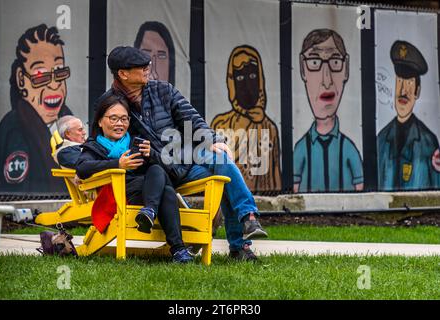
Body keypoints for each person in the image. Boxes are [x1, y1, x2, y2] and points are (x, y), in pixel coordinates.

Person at [96, 45, 268, 261]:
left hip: (184, 159)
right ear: (123, 74)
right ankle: (240, 243)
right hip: (154, 176)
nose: (148, 67)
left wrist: (212, 140)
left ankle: (247, 222)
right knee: (222, 173)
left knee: (223, 164)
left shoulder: (163, 90)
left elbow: (191, 118)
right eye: (141, 66)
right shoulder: (110, 104)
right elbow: (97, 140)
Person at [76, 94, 193, 263]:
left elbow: (164, 170)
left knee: (158, 173)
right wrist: (118, 164)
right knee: (166, 190)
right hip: (120, 195)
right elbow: (82, 167)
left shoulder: (135, 142)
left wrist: (151, 154)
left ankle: (150, 212)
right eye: (113, 118)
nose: (119, 123)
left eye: (124, 119)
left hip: (146, 192)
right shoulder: (94, 146)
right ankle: (178, 249)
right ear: (100, 121)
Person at [0, 24, 73, 193]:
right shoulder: (14, 128)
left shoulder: (68, 120)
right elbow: (16, 190)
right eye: (40, 75)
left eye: (60, 71)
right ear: (21, 80)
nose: (54, 85)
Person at [293, 29, 363, 193]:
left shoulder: (348, 148)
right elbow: (293, 190)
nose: (327, 80)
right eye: (315, 62)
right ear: (303, 69)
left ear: (346, 69)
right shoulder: (301, 148)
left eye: (335, 62)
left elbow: (361, 189)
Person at [211, 45, 282, 192]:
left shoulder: (270, 128)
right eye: (240, 77)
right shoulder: (220, 124)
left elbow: (275, 179)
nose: (247, 85)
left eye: (252, 76)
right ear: (231, 82)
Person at [377, 40, 440, 190]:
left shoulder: (428, 143)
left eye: (410, 83)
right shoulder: (381, 139)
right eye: (400, 81)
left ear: (417, 92)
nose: (403, 91)